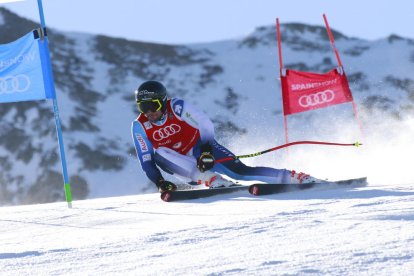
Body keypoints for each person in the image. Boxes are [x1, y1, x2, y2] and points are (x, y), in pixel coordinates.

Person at [131, 80, 321, 192]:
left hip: (202, 149)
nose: (149, 112)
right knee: (159, 154)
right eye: (142, 107)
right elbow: (146, 160)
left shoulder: (177, 107)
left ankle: (296, 177)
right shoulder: (140, 126)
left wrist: (206, 151)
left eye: (153, 106)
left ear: (163, 102)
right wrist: (160, 182)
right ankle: (211, 179)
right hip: (182, 165)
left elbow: (205, 124)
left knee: (241, 172)